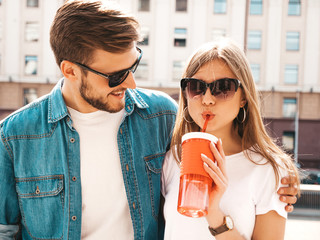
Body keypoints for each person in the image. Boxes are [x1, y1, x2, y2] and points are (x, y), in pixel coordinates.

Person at [0, 1, 297, 239]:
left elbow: (240, 155)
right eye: (115, 75)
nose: (130, 84)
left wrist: (280, 176)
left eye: (134, 65)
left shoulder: (160, 115)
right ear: (70, 70)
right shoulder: (15, 136)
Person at [161, 39, 300, 240]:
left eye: (223, 88)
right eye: (196, 87)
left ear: (243, 96)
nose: (207, 99)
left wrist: (214, 215)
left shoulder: (268, 168)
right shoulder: (172, 159)